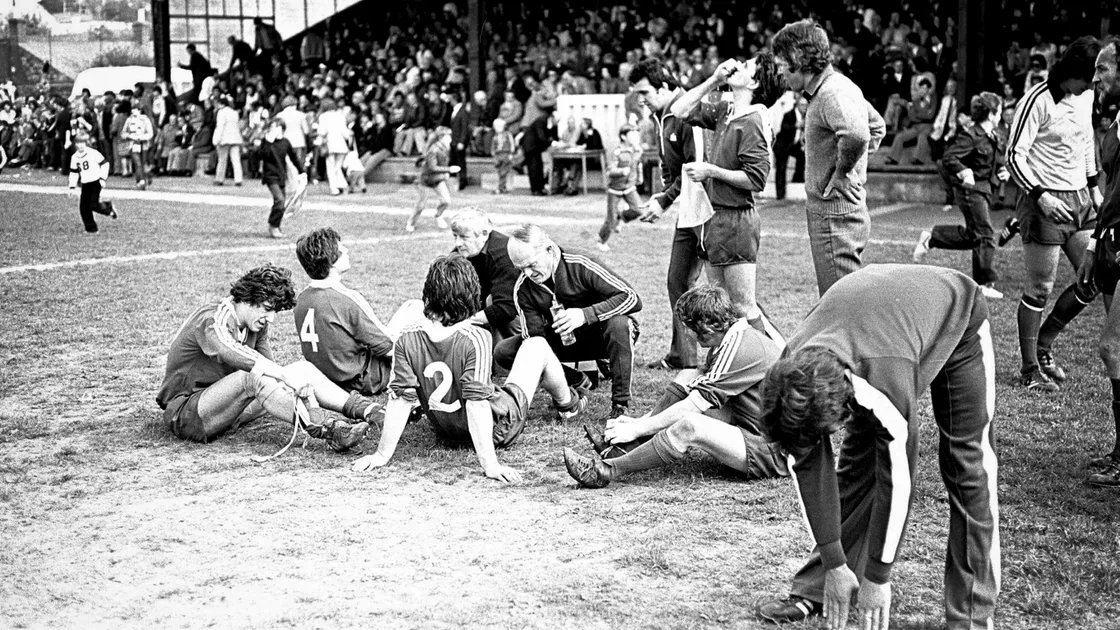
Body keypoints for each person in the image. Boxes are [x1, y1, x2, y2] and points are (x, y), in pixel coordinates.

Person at [753, 265, 998, 630]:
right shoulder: (787, 374)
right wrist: (836, 562)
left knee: (967, 467)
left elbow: (898, 480)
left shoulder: (885, 381)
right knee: (856, 462)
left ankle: (972, 617)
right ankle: (821, 586)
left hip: (955, 311)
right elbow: (807, 467)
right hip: (876, 322)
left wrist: (878, 576)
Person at [350, 255, 588, 482]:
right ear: (471, 294)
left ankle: (567, 400)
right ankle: (568, 405)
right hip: (496, 429)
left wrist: (382, 455)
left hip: (445, 430)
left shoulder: (406, 337)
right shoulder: (476, 337)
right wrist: (490, 465)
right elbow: (477, 404)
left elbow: (400, 400)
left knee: (491, 385)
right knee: (537, 346)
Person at [562, 285, 787, 488]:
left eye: (689, 326)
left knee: (690, 425)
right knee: (690, 374)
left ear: (709, 326)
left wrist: (637, 428)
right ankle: (629, 446)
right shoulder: (732, 338)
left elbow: (692, 406)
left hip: (776, 452)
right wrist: (640, 423)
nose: (687, 333)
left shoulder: (741, 348)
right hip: (757, 430)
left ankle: (606, 470)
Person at [156, 264, 377, 451]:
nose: (270, 319)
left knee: (300, 369)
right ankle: (330, 429)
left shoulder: (255, 326)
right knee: (254, 377)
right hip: (188, 414)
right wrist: (283, 377)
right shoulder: (213, 317)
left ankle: (369, 411)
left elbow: (270, 370)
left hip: (230, 408)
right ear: (248, 298)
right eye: (268, 309)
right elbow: (227, 350)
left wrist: (294, 384)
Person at [1006, 36, 1103, 393]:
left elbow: (1086, 141)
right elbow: (1014, 156)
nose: (1095, 84)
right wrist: (1041, 196)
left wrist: (1093, 185)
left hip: (1080, 200)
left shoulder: (1086, 96)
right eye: (1091, 76)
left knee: (1093, 277)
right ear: (1074, 72)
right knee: (1039, 288)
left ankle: (1044, 345)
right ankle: (1030, 368)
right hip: (1044, 203)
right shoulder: (1037, 100)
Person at [669, 53, 786, 340]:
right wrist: (713, 80)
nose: (738, 64)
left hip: (735, 221)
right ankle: (743, 367)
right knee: (725, 309)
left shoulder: (754, 121)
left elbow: (756, 180)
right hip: (717, 219)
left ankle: (784, 359)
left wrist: (711, 171)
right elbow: (680, 110)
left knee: (744, 306)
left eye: (747, 66)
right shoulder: (727, 110)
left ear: (755, 81)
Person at [772, 20, 886, 296]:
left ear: (799, 59)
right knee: (843, 300)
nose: (779, 72)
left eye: (782, 64)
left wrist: (843, 172)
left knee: (841, 304)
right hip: (839, 212)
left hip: (834, 215)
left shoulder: (831, 93)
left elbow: (858, 134)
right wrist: (853, 167)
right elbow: (876, 126)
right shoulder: (840, 86)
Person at [500, 224, 642, 418]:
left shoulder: (580, 262)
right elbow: (534, 341)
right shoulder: (523, 288)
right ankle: (576, 379)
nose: (527, 274)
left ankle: (620, 403)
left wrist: (584, 315)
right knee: (505, 351)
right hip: (564, 341)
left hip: (602, 335)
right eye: (520, 268)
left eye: (532, 265)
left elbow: (631, 297)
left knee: (619, 324)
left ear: (549, 250)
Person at [628, 58, 702, 371]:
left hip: (708, 212)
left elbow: (694, 169)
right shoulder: (663, 117)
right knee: (677, 280)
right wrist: (663, 196)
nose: (640, 98)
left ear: (666, 86)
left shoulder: (686, 115)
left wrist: (664, 201)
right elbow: (672, 169)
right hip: (689, 210)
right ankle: (682, 358)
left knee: (732, 291)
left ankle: (756, 353)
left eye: (644, 91)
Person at [293, 228, 426, 396]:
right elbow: (389, 349)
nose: (347, 250)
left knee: (410, 306)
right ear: (330, 259)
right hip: (363, 380)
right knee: (417, 310)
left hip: (324, 380)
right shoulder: (345, 299)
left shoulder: (302, 298)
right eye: (341, 248)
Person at [914, 92, 1006, 299]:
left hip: (984, 189)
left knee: (975, 236)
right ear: (991, 114)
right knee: (986, 234)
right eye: (998, 111)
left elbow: (996, 159)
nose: (1000, 115)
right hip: (969, 191)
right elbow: (949, 157)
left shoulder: (993, 135)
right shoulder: (970, 135)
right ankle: (984, 283)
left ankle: (933, 237)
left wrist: (1002, 171)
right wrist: (965, 171)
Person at [1082, 38, 1120, 486]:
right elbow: (1111, 195)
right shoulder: (1114, 124)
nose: (1095, 79)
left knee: (1114, 348)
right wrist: (1094, 244)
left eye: (1103, 69)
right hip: (1110, 243)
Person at [450, 208, 521, 343]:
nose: (458, 243)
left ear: (483, 234)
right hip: (492, 309)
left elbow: (505, 309)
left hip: (525, 315)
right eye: (455, 236)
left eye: (464, 237)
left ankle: (513, 353)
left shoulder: (503, 255)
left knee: (491, 302)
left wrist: (460, 324)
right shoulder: (460, 254)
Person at [597, 124, 644, 251]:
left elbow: (638, 165)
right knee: (610, 219)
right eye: (631, 135)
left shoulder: (637, 150)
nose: (635, 137)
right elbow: (610, 170)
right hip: (615, 189)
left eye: (636, 135)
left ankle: (621, 217)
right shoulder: (617, 152)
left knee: (639, 210)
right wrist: (621, 171)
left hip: (629, 187)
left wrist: (640, 177)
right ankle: (602, 240)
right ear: (623, 137)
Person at [258, 117, 305, 239]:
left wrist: (302, 171)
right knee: (279, 199)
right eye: (272, 127)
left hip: (281, 176)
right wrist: (268, 142)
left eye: (276, 127)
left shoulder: (285, 142)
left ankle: (276, 226)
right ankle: (273, 226)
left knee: (281, 203)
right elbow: (263, 155)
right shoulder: (267, 142)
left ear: (282, 129)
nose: (273, 130)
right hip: (270, 176)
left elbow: (294, 157)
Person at [407, 126, 459, 232]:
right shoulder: (434, 150)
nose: (450, 138)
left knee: (446, 200)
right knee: (421, 204)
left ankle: (438, 215)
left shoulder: (445, 148)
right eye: (448, 136)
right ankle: (410, 223)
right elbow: (432, 167)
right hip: (425, 180)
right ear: (442, 137)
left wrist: (445, 173)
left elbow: (443, 161)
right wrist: (449, 170)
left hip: (437, 179)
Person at [67, 130, 117, 233]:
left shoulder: (93, 153)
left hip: (95, 182)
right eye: (78, 143)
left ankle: (108, 208)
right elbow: (74, 173)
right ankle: (91, 228)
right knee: (83, 207)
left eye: (83, 143)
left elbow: (105, 164)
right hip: (85, 183)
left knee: (93, 205)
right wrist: (72, 187)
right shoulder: (75, 157)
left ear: (87, 143)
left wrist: (102, 178)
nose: (80, 146)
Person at [522, 110, 557, 196]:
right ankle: (535, 189)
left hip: (536, 147)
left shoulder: (549, 123)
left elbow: (551, 135)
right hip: (530, 146)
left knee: (539, 167)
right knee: (533, 168)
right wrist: (551, 142)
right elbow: (541, 136)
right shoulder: (541, 121)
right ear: (552, 118)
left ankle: (540, 188)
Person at [212, 95, 244, 186]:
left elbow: (220, 127)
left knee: (222, 159)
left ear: (221, 104)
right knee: (236, 159)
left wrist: (216, 140)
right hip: (235, 137)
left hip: (224, 138)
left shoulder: (221, 112)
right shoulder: (234, 112)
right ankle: (238, 179)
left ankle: (219, 179)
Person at [121, 104, 154, 190]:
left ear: (139, 110)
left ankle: (146, 177)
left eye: (135, 109)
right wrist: (130, 136)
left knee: (143, 163)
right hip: (133, 144)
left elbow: (150, 133)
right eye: (133, 109)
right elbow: (123, 133)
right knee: (137, 163)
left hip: (143, 145)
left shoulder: (145, 120)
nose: (133, 111)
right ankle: (141, 181)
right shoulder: (129, 120)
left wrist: (141, 137)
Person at [449, 90, 471, 191]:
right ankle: (452, 179)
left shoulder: (463, 112)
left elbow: (464, 128)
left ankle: (463, 180)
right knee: (453, 160)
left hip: (459, 141)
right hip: (454, 140)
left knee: (460, 161)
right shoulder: (455, 110)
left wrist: (462, 141)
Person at [491, 117, 515, 194]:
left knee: (503, 172)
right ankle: (503, 187)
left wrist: (511, 153)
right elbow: (493, 146)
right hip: (498, 156)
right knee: (500, 172)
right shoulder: (495, 136)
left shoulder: (508, 135)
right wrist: (493, 154)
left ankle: (500, 187)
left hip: (505, 155)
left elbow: (512, 144)